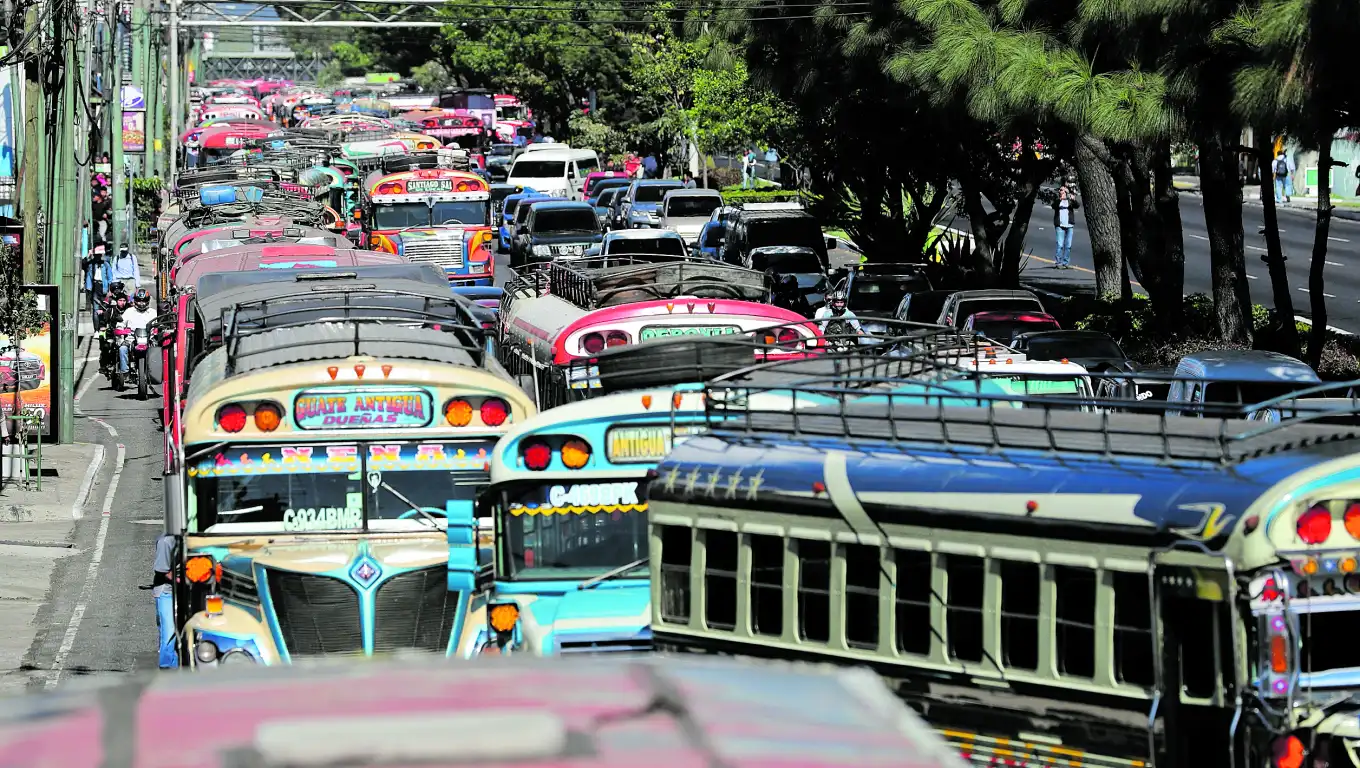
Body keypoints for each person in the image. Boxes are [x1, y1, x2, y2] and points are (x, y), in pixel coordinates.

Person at [151, 533, 179, 669]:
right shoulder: (166, 542)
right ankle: (167, 666)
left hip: (181, 590)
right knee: (169, 631)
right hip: (167, 592)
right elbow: (162, 571)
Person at [117, 288, 156, 376]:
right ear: (135, 300)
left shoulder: (153, 312)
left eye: (144, 301)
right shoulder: (129, 311)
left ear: (147, 301)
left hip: (149, 339)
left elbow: (158, 324)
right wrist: (120, 329)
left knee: (159, 350)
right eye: (139, 301)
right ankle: (125, 372)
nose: (141, 303)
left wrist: (157, 330)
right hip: (131, 339)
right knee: (122, 349)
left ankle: (156, 373)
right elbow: (120, 323)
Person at [1052, 185, 1079, 269]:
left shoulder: (1069, 201)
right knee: (1060, 245)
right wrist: (1060, 199)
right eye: (1060, 190)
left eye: (1063, 190)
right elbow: (1053, 206)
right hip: (1060, 225)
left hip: (1069, 225)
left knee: (1068, 245)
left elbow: (1077, 205)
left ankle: (1066, 263)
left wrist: (1073, 199)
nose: (1061, 191)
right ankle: (1058, 263)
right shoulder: (1057, 200)